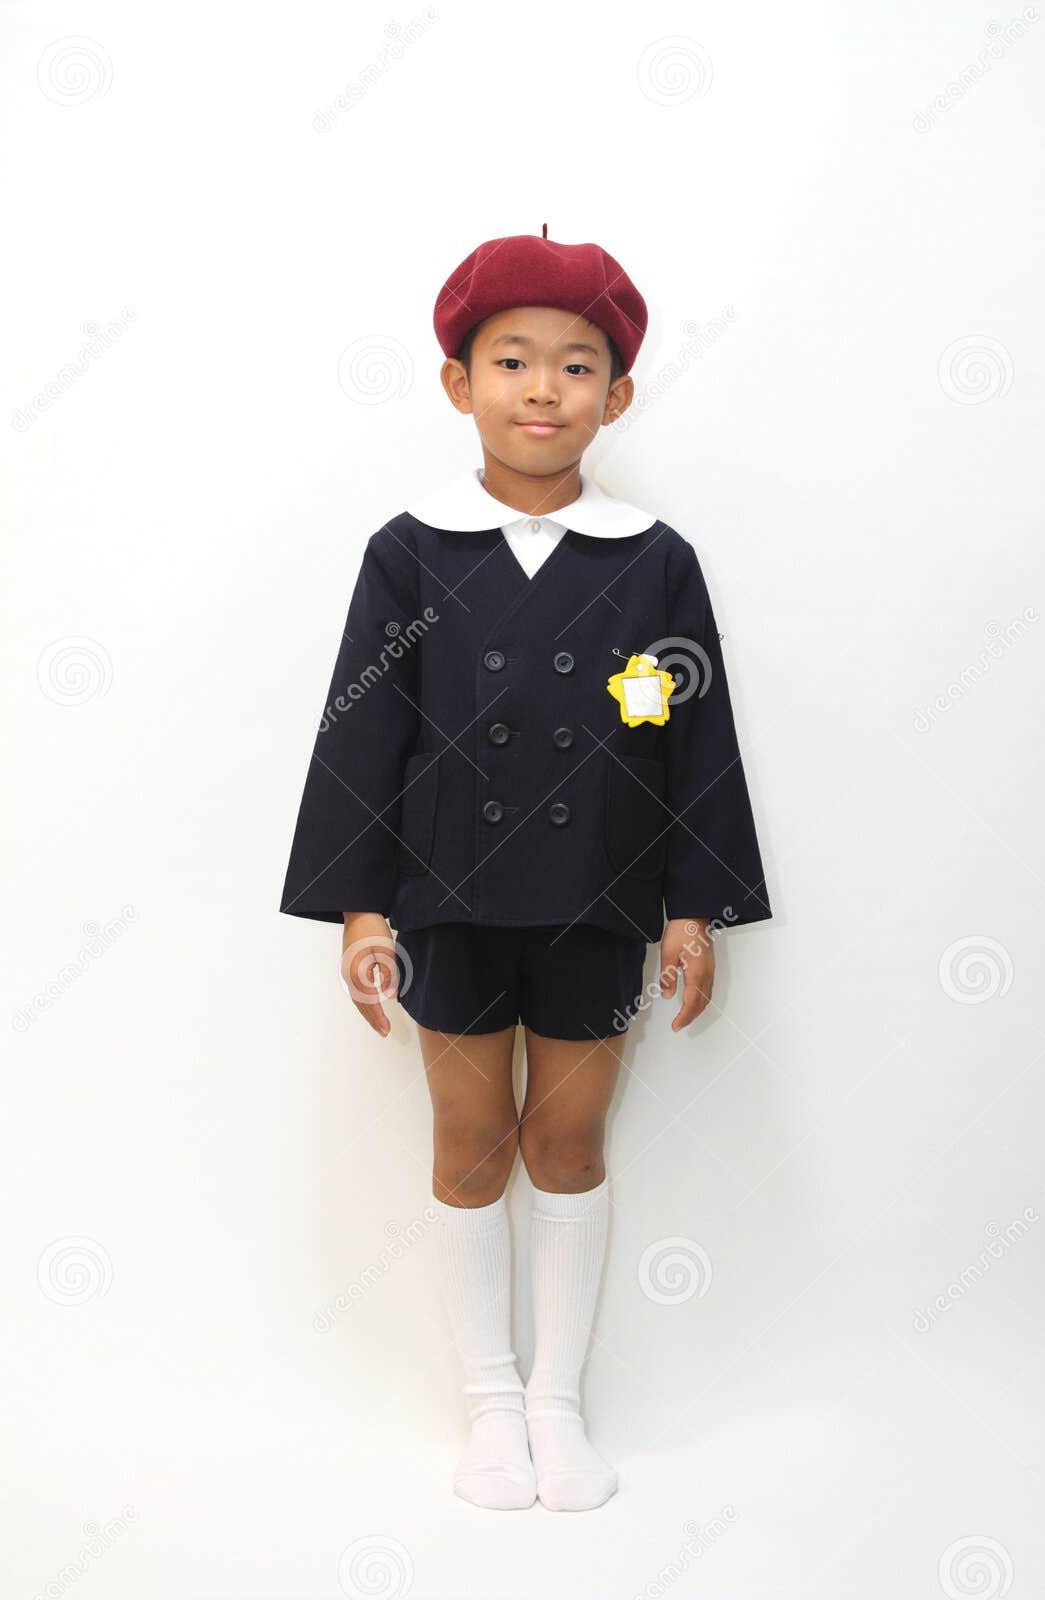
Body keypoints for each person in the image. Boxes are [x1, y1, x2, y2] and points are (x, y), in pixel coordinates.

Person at [280, 229, 772, 1511]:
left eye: (574, 365)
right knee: (467, 1137)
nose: (541, 388)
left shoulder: (653, 556)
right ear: (459, 383)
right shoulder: (410, 551)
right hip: (445, 897)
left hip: (600, 902)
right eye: (511, 360)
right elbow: (361, 730)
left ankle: (558, 1402)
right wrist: (361, 906)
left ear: (616, 396)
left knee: (568, 1135)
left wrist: (690, 909)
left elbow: (692, 737)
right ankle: (488, 1404)